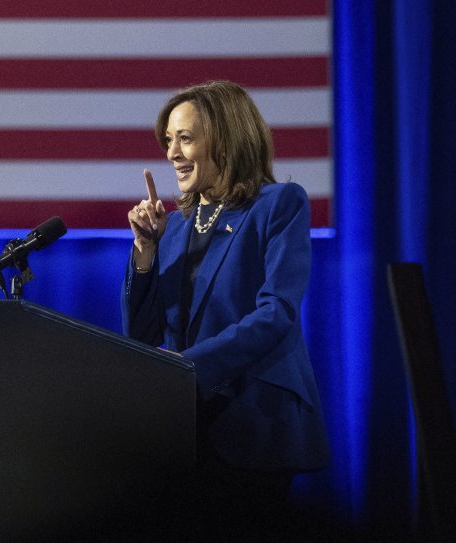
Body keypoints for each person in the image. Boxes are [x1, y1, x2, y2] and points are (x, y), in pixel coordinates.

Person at [121, 81, 329, 516]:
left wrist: (188, 369)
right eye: (168, 141)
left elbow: (277, 312)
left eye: (185, 138)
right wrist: (145, 252)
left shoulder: (277, 204)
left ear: (226, 139)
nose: (171, 154)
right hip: (184, 431)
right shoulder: (175, 227)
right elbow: (142, 335)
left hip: (255, 419)